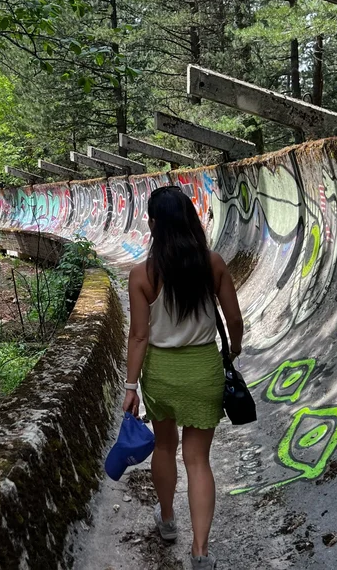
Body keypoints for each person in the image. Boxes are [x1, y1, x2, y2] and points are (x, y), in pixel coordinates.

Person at [123, 186, 244, 569]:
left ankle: (168, 520)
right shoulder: (213, 263)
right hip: (203, 368)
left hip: (161, 373)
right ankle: (201, 551)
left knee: (164, 447)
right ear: (192, 221)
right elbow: (234, 321)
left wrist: (130, 386)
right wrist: (232, 351)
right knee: (198, 461)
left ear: (153, 224)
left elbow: (139, 335)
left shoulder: (142, 275)